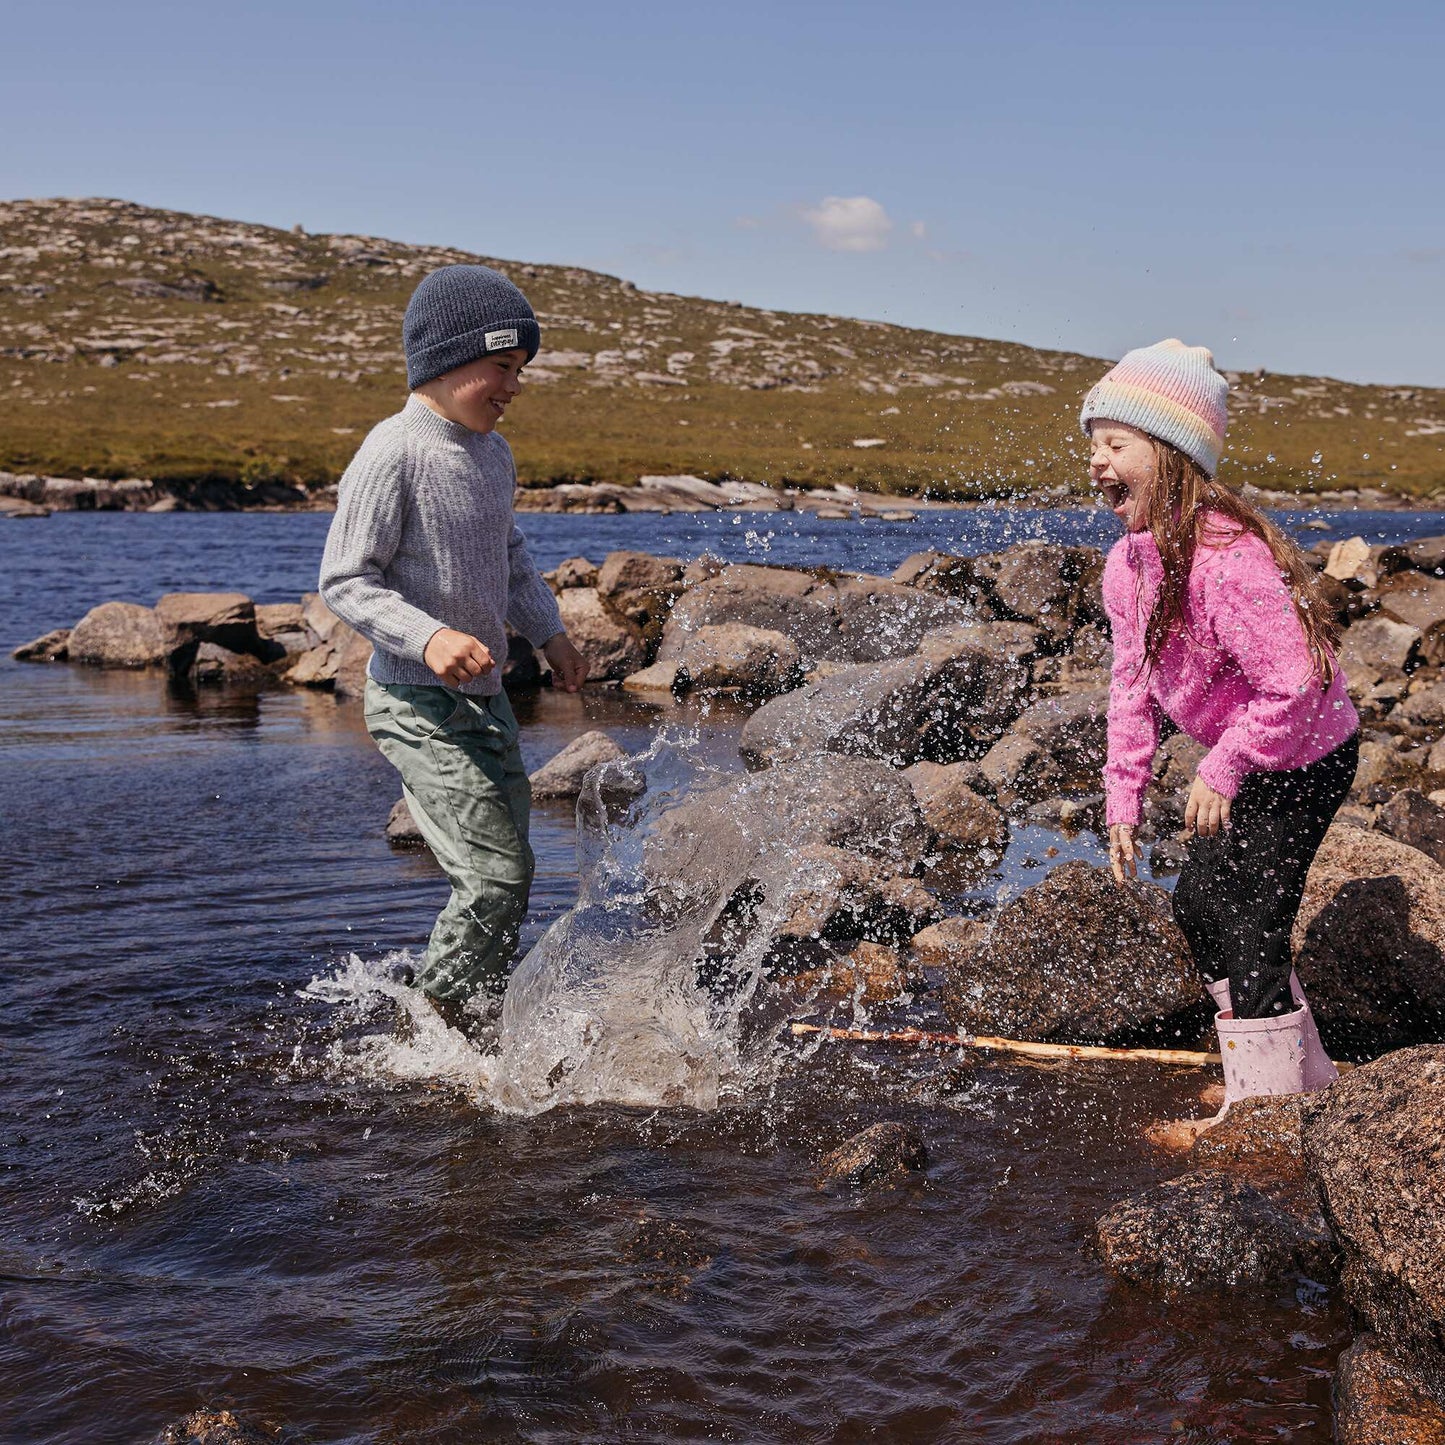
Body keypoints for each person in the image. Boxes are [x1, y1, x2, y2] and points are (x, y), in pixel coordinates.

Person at [1084, 339, 1359, 1148]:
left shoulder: (1229, 561)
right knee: (1199, 903)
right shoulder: (1126, 564)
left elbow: (1297, 679)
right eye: (1091, 443)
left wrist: (1225, 763)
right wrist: (1122, 794)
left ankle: (1262, 1121)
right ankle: (1292, 1076)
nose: (1096, 462)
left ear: (1169, 455)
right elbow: (1131, 685)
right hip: (1247, 753)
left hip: (1305, 751)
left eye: (1114, 443)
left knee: (1251, 918)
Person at [320, 264, 588, 1035]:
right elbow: (344, 579)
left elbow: (509, 557)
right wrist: (429, 636)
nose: (514, 385)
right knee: (493, 878)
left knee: (512, 872)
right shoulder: (393, 451)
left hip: (485, 699)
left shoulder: (492, 454)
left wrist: (551, 633)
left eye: (520, 371)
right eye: (503, 367)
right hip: (414, 701)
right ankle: (435, 1028)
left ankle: (473, 1009)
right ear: (447, 360)